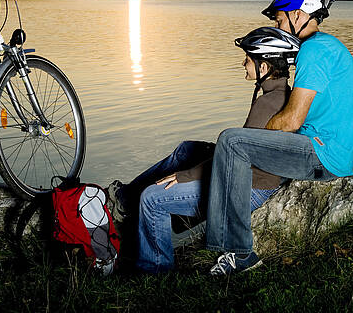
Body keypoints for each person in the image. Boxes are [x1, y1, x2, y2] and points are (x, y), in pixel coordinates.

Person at [109, 27, 300, 273]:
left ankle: (154, 271)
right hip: (256, 176)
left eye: (247, 59)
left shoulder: (266, 105)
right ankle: (125, 199)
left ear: (263, 68)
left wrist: (185, 176)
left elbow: (234, 164)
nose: (243, 64)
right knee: (187, 150)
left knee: (152, 199)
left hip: (250, 188)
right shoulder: (283, 96)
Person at [206, 0, 353, 276]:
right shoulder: (327, 45)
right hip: (331, 150)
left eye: (279, 20)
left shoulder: (314, 51)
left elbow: (291, 120)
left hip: (323, 155)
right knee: (235, 145)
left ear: (297, 15)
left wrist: (259, 137)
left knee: (231, 141)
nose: (278, 27)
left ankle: (239, 253)